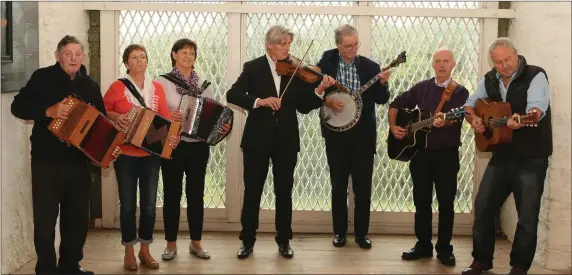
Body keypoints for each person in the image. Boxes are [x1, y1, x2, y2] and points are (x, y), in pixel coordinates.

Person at [226, 25, 335, 259]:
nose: (287, 49)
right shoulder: (253, 67)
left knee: (284, 191)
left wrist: (320, 89)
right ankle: (247, 241)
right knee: (253, 190)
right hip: (257, 140)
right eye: (283, 44)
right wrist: (260, 101)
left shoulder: (295, 71)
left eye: (289, 44)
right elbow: (232, 95)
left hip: (286, 140)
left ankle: (284, 240)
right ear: (270, 45)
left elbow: (304, 106)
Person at [11, 35, 101, 275]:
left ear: (83, 56)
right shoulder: (42, 78)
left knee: (78, 220)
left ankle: (70, 266)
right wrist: (49, 111)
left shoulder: (90, 85)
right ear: (58, 56)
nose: (73, 58)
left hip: (79, 164)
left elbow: (100, 124)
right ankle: (47, 269)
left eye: (78, 54)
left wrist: (104, 150)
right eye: (68, 53)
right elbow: (17, 106)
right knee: (45, 220)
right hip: (47, 162)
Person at [462, 37, 552, 275]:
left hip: (531, 158)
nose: (505, 66)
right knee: (483, 206)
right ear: (493, 63)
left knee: (527, 215)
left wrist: (523, 119)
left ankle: (519, 267)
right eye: (499, 62)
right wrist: (475, 120)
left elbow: (537, 110)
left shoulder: (535, 75)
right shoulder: (490, 79)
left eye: (508, 59)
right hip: (501, 156)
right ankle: (481, 260)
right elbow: (469, 105)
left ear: (516, 54)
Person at [388, 48, 469, 266]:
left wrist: (446, 120)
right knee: (421, 201)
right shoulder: (422, 87)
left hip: (446, 154)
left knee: (446, 202)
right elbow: (395, 104)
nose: (441, 65)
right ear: (432, 64)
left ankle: (444, 249)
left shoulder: (460, 92)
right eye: (437, 61)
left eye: (446, 61)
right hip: (420, 155)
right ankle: (423, 245)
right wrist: (394, 127)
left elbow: (458, 117)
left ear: (453, 64)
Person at [103, 44, 179, 271]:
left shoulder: (156, 88)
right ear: (126, 63)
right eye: (134, 57)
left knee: (148, 205)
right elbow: (101, 111)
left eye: (143, 57)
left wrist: (172, 139)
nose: (139, 60)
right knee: (127, 205)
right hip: (125, 153)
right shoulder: (117, 87)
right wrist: (116, 116)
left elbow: (165, 118)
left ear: (147, 61)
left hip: (150, 155)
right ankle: (128, 251)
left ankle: (145, 250)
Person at [314, 24, 390, 249]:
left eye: (356, 44)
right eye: (348, 46)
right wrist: (326, 99)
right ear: (338, 46)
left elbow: (381, 99)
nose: (353, 49)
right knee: (338, 185)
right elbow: (313, 87)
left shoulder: (370, 66)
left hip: (363, 136)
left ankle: (361, 234)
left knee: (363, 186)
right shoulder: (327, 60)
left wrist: (383, 84)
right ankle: (339, 233)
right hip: (336, 133)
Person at [155, 38, 230, 261]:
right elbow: (154, 112)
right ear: (174, 54)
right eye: (184, 52)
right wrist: (169, 116)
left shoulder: (204, 85)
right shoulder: (161, 81)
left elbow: (214, 114)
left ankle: (196, 242)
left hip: (199, 147)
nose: (188, 56)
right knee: (172, 194)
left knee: (196, 195)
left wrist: (222, 127)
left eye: (192, 53)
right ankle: (170, 244)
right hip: (173, 144)